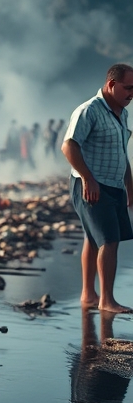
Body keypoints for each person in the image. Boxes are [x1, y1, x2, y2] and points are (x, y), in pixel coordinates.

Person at [62, 63, 133, 313]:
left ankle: (89, 295)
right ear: (112, 85)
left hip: (114, 185)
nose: (132, 94)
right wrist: (88, 179)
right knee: (109, 241)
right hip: (92, 185)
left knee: (93, 239)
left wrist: (129, 185)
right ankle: (107, 300)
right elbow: (69, 146)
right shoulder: (89, 110)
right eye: (128, 88)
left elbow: (121, 153)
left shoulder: (121, 113)